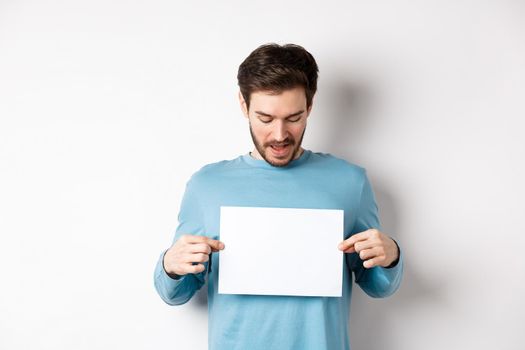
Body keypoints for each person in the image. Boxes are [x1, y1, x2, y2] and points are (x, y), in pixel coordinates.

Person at [154, 43, 403, 350]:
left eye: (294, 118)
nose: (279, 135)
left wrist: (390, 256)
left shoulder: (350, 182)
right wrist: (170, 264)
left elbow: (379, 286)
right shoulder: (207, 185)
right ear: (244, 106)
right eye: (265, 118)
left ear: (310, 107)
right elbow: (175, 293)